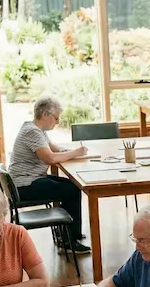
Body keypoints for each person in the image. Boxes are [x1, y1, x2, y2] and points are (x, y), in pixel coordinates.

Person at [9, 96, 92, 253]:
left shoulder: (35, 128)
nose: (57, 121)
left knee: (72, 185)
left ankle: (69, 234)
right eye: (56, 117)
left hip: (29, 179)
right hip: (25, 185)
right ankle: (68, 242)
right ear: (45, 115)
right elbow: (51, 158)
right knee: (72, 191)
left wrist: (66, 151)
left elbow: (53, 148)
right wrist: (76, 152)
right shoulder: (32, 132)